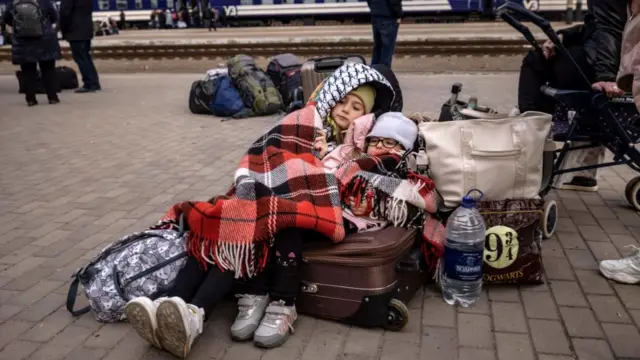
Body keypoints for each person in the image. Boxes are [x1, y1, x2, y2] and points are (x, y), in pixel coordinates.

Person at [123, 63, 396, 358]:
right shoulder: (306, 122)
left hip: (304, 210)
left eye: (356, 107)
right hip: (267, 198)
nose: (345, 109)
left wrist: (320, 156)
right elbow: (269, 151)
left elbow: (340, 179)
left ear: (365, 116)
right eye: (342, 100)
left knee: (249, 230)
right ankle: (171, 305)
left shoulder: (352, 145)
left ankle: (205, 312)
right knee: (224, 225)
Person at [228, 112, 419, 349]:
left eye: (389, 142)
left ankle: (283, 304)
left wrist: (373, 206)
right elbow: (323, 177)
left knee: (290, 226)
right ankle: (257, 294)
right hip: (323, 206)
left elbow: (413, 205)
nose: (379, 146)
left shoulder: (398, 169)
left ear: (403, 147)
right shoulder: (350, 158)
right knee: (271, 216)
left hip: (346, 220)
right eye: (374, 140)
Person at [516, 0, 629, 192]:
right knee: (545, 59)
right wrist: (563, 36)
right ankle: (582, 174)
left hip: (607, 63)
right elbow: (598, 24)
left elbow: (610, 27)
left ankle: (533, 130)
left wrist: (606, 76)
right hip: (608, 57)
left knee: (536, 61)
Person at [2, 0, 62, 106]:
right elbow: (55, 17)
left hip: (23, 41)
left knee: (28, 72)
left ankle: (30, 99)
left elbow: (5, 18)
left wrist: (20, 25)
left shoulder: (14, 3)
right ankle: (52, 97)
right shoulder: (45, 2)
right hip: (45, 40)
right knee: (48, 70)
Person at [60, 0, 102, 92]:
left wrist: (63, 29)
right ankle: (94, 82)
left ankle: (89, 83)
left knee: (80, 57)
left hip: (75, 31)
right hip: (86, 30)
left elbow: (64, 13)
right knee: (86, 57)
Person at [366, 0, 402, 68]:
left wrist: (374, 9)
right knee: (387, 49)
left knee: (378, 47)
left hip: (375, 15)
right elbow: (393, 2)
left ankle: (374, 71)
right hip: (388, 16)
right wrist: (398, 14)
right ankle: (384, 73)